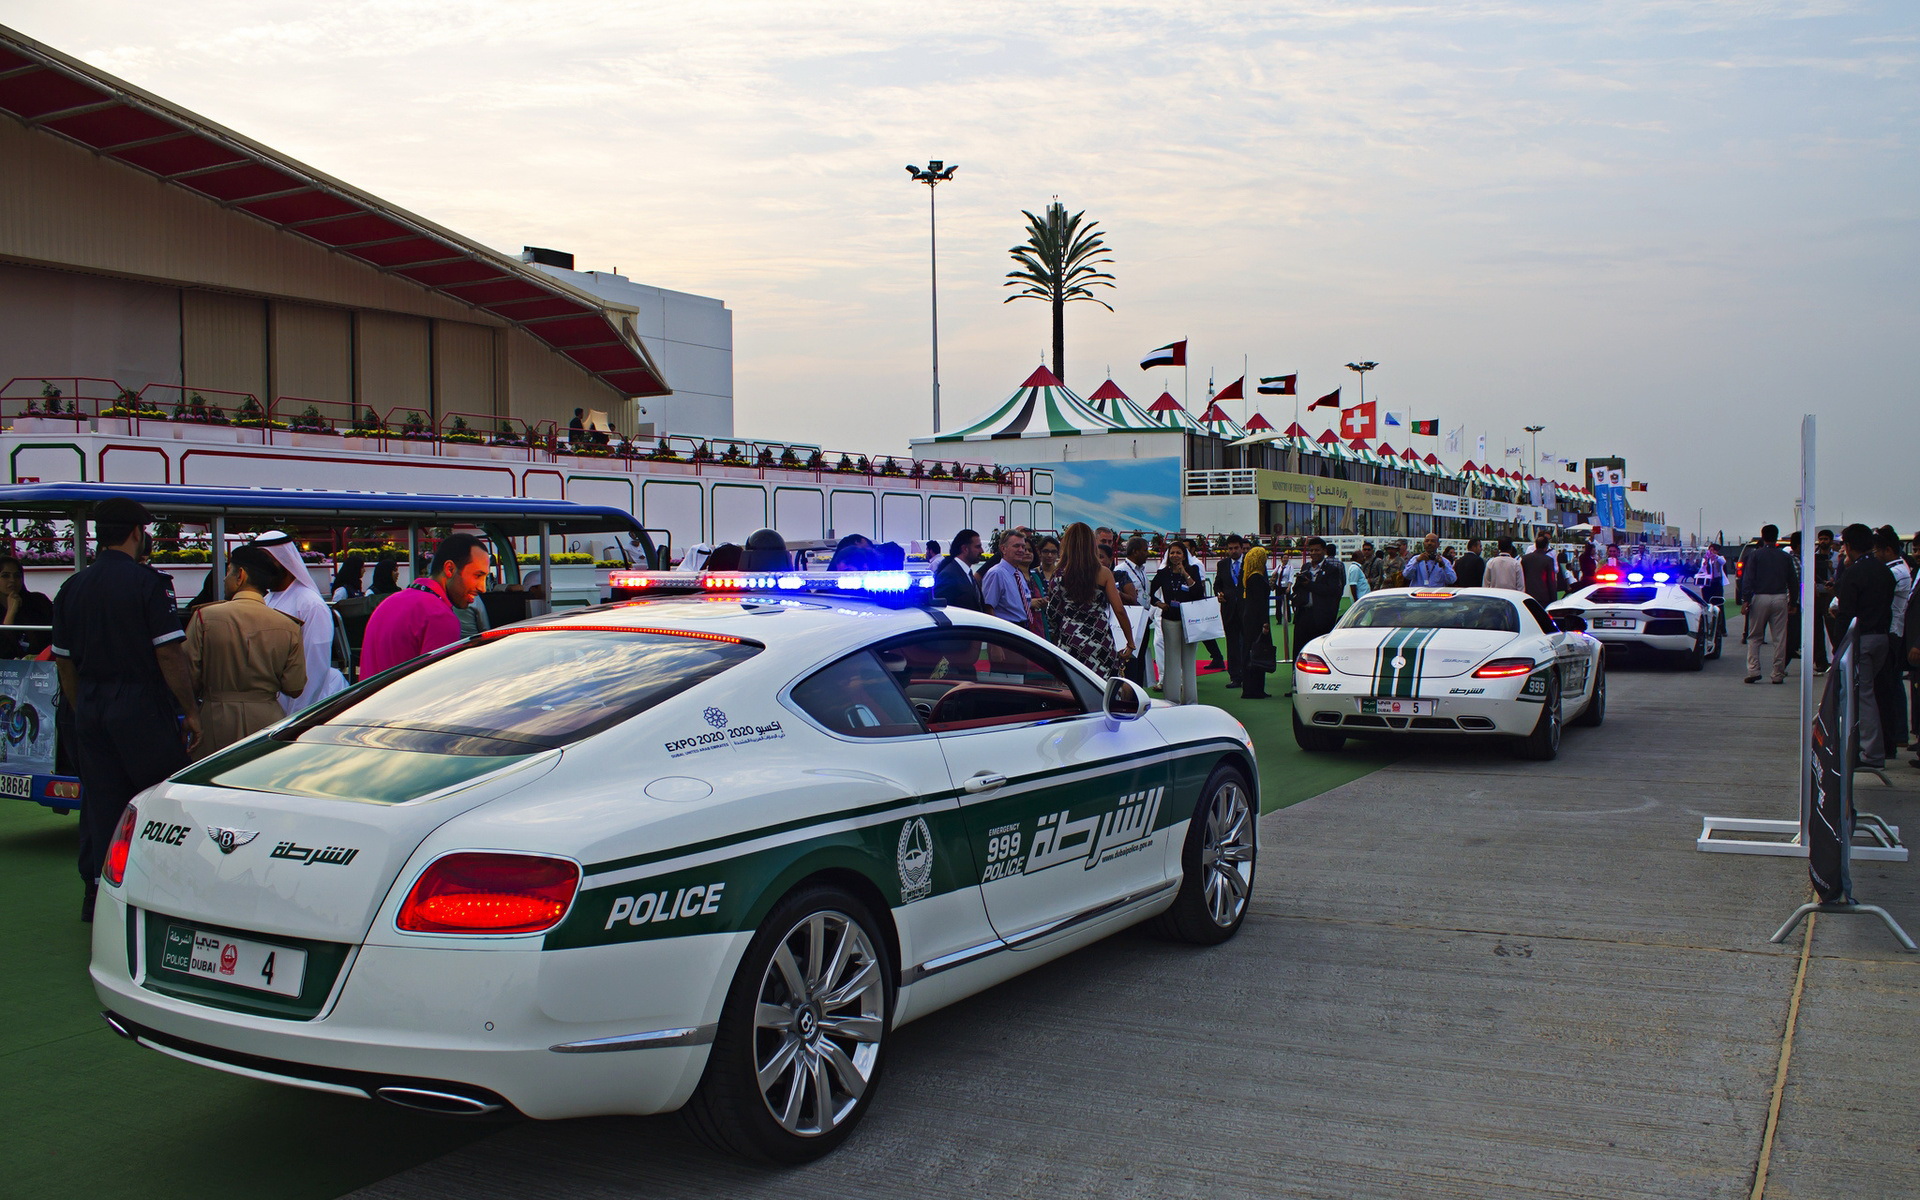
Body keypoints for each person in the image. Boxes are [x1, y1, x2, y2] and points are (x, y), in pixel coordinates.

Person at [51, 497, 200, 922]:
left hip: (92, 705)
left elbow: (65, 661)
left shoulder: (72, 587)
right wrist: (191, 711)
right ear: (138, 532)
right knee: (159, 799)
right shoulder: (149, 584)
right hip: (138, 704)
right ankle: (164, 890)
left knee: (102, 803)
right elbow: (169, 655)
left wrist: (84, 710)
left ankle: (98, 895)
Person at [184, 545, 307, 759]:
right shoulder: (288, 626)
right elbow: (294, 686)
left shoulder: (205, 617)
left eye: (228, 570)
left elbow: (189, 676)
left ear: (240, 575)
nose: (224, 579)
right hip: (267, 720)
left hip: (216, 717)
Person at [360, 533, 491, 677]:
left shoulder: (389, 603)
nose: (482, 588)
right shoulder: (439, 616)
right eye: (477, 576)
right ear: (450, 569)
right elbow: (438, 687)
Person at [249, 532, 349, 715]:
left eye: (265, 560)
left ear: (282, 560)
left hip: (306, 707)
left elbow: (314, 667)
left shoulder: (310, 604)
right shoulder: (266, 599)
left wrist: (296, 717)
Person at [1828, 523, 1894, 768]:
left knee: (1862, 696)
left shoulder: (1854, 573)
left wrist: (1838, 645)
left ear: (1848, 546)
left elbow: (1847, 614)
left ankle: (1871, 753)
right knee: (1871, 693)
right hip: (1881, 637)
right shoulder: (1884, 570)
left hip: (1861, 640)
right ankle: (1874, 746)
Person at [1043, 523, 1132, 678]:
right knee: (1103, 684)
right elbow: (1119, 610)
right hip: (1099, 636)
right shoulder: (1103, 573)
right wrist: (1130, 642)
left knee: (1074, 684)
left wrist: (1057, 635)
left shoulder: (1058, 574)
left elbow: (1052, 612)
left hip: (1070, 635)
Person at [1151, 542, 1207, 706]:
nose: (1175, 555)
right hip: (1170, 620)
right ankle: (1172, 700)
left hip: (1190, 621)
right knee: (1171, 661)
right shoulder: (1162, 573)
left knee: (1189, 662)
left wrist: (1184, 573)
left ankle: (1191, 701)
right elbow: (1150, 592)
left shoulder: (1193, 570)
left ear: (1184, 555)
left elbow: (1198, 593)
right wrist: (1158, 603)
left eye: (1179, 553)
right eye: (1172, 553)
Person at [1740, 523, 1796, 685]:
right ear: (1776, 536)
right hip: (1780, 597)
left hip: (1760, 597)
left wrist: (1746, 600)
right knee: (1779, 638)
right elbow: (1792, 581)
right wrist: (1793, 602)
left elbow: (1748, 579)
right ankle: (1778, 673)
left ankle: (1754, 670)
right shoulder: (1785, 557)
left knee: (1755, 636)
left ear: (1763, 536)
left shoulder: (1755, 556)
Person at [1872, 527, 1910, 757]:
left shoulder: (1895, 572)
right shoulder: (1898, 568)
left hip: (1893, 633)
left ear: (1888, 550)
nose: (1875, 554)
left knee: (1890, 687)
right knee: (1893, 686)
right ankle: (1898, 734)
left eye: (1877, 550)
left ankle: (1896, 735)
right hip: (1895, 631)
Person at [1290, 537, 1345, 653]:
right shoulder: (1305, 567)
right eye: (1312, 550)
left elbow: (1331, 591)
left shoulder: (1332, 570)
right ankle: (1296, 671)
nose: (1314, 553)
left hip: (1321, 617)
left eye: (1317, 550)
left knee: (1319, 650)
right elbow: (1297, 588)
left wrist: (1309, 584)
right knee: (1300, 649)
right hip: (1303, 615)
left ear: (1324, 551)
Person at [1114, 537, 1154, 686]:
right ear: (1135, 551)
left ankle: (1138, 692)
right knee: (1130, 660)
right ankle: (1128, 692)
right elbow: (1117, 597)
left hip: (1144, 619)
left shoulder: (1142, 571)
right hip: (1130, 621)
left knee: (1141, 657)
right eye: (1145, 550)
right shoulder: (1120, 570)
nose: (1147, 554)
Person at [980, 528, 1038, 632]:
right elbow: (988, 609)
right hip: (1006, 630)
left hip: (1023, 628)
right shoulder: (996, 574)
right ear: (1003, 549)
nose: (1021, 550)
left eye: (1023, 546)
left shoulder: (1018, 574)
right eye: (1016, 546)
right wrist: (995, 642)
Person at [0, 553, 54, 658]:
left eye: (17, 575)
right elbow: (4, 650)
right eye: (5, 576)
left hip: (41, 667)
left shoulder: (38, 601)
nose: (12, 580)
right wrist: (10, 614)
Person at [1239, 547, 1276, 698]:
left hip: (1250, 619)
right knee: (1258, 651)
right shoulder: (1257, 578)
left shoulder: (1250, 577)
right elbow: (1260, 604)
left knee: (1251, 651)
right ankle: (1254, 689)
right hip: (1257, 620)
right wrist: (1265, 623)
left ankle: (1253, 688)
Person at [1213, 533, 1246, 687]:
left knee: (1246, 643)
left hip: (1246, 609)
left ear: (1241, 548)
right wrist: (1218, 593)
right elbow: (1217, 584)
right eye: (1230, 548)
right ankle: (1235, 677)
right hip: (1228, 609)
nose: (1233, 551)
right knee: (1232, 644)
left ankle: (1248, 673)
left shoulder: (1249, 563)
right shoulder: (1222, 565)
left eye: (1236, 548)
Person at [933, 529, 987, 611]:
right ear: (965, 549)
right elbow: (943, 610)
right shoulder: (948, 575)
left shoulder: (967, 573)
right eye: (977, 547)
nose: (982, 551)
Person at [1811, 528, 1837, 672]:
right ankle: (1820, 661)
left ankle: (1836, 658)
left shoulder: (1837, 557)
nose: (1823, 542)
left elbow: (1841, 576)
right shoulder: (1812, 556)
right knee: (1816, 630)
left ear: (1831, 541)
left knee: (1832, 628)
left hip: (1830, 595)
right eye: (1821, 539)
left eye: (1826, 539)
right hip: (1816, 595)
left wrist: (1832, 570)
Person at [1520, 533, 1560, 608]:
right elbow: (1551, 581)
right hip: (1543, 596)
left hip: (1527, 594)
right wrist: (1554, 600)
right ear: (1546, 546)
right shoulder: (1548, 560)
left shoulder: (1525, 559)